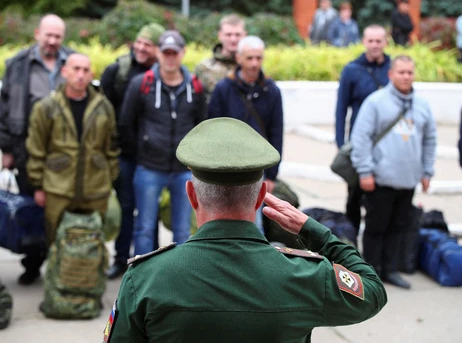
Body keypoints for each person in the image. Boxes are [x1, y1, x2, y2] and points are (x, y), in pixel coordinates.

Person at [103, 117, 387, 343]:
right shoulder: (306, 276)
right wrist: (312, 230)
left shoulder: (145, 279)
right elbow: (372, 291)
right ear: (261, 193)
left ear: (191, 195)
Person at [351, 55, 437, 289]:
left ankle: (390, 270)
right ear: (391, 74)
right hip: (378, 180)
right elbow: (360, 138)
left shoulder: (422, 105)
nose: (406, 76)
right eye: (401, 72)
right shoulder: (376, 102)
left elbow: (430, 140)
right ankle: (370, 273)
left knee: (398, 227)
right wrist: (365, 171)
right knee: (376, 227)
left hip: (408, 181)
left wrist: (427, 172)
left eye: (410, 72)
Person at [0, 14, 74, 285]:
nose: (53, 41)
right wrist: (6, 149)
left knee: (62, 213)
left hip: (66, 157)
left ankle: (63, 265)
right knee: (32, 212)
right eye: (48, 35)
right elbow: (4, 110)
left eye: (58, 36)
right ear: (37, 34)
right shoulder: (18, 65)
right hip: (27, 154)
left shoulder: (73, 62)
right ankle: (32, 264)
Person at [120, 30, 206, 256]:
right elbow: (126, 123)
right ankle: (141, 278)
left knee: (182, 231)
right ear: (158, 53)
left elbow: (202, 125)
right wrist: (142, 150)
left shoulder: (195, 87)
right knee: (145, 228)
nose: (170, 58)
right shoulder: (142, 83)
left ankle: (179, 280)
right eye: (165, 52)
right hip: (149, 167)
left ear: (182, 54)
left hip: (183, 171)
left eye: (174, 53)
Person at [25, 53, 120, 246]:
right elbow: (36, 149)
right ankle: (56, 275)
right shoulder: (46, 107)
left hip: (95, 189)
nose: (80, 75)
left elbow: (111, 147)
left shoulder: (103, 107)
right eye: (76, 69)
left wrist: (109, 179)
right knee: (56, 241)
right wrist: (38, 186)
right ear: (64, 71)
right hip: (58, 188)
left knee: (92, 242)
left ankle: (89, 277)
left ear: (91, 74)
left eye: (85, 70)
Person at [100, 22, 165, 280]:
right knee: (127, 208)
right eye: (139, 42)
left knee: (152, 211)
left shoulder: (165, 75)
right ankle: (120, 259)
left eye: (148, 44)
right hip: (126, 155)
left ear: (159, 49)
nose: (140, 47)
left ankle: (156, 261)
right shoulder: (118, 70)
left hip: (154, 158)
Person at [208, 35, 283, 235]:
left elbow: (277, 132)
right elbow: (213, 129)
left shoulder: (271, 90)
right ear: (239, 58)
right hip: (226, 168)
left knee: (254, 227)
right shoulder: (224, 89)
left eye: (258, 58)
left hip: (258, 169)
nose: (254, 63)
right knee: (223, 223)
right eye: (249, 58)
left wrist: (272, 175)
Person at [335, 25, 391, 235]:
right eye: (371, 41)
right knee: (354, 197)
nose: (375, 45)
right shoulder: (352, 70)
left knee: (381, 198)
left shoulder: (392, 68)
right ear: (364, 42)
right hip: (359, 144)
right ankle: (351, 244)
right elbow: (341, 109)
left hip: (387, 145)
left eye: (379, 41)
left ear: (385, 42)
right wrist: (341, 143)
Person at [195, 14, 247, 103]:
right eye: (228, 34)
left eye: (237, 35)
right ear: (220, 35)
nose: (233, 39)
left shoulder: (251, 67)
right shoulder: (204, 68)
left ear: (245, 35)